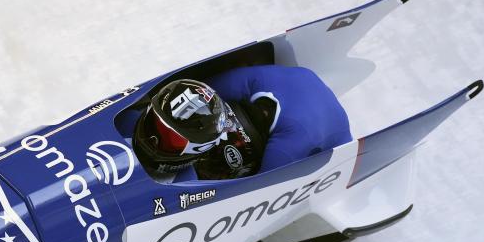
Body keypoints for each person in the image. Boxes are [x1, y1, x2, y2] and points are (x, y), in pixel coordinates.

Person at [133, 65, 352, 181]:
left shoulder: (286, 149)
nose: (152, 138)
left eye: (172, 140)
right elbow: (204, 91)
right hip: (291, 80)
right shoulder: (249, 81)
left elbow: (261, 193)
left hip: (330, 133)